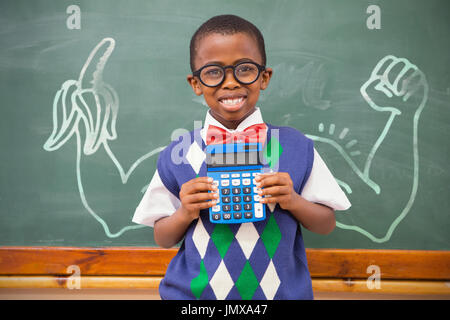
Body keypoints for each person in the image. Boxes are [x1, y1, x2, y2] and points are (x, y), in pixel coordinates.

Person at [133, 14, 350, 300]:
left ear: (264, 77)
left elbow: (326, 224)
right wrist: (185, 212)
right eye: (213, 72)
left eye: (244, 69)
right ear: (196, 83)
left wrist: (292, 200)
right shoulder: (179, 153)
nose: (231, 82)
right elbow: (162, 238)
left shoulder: (296, 146)